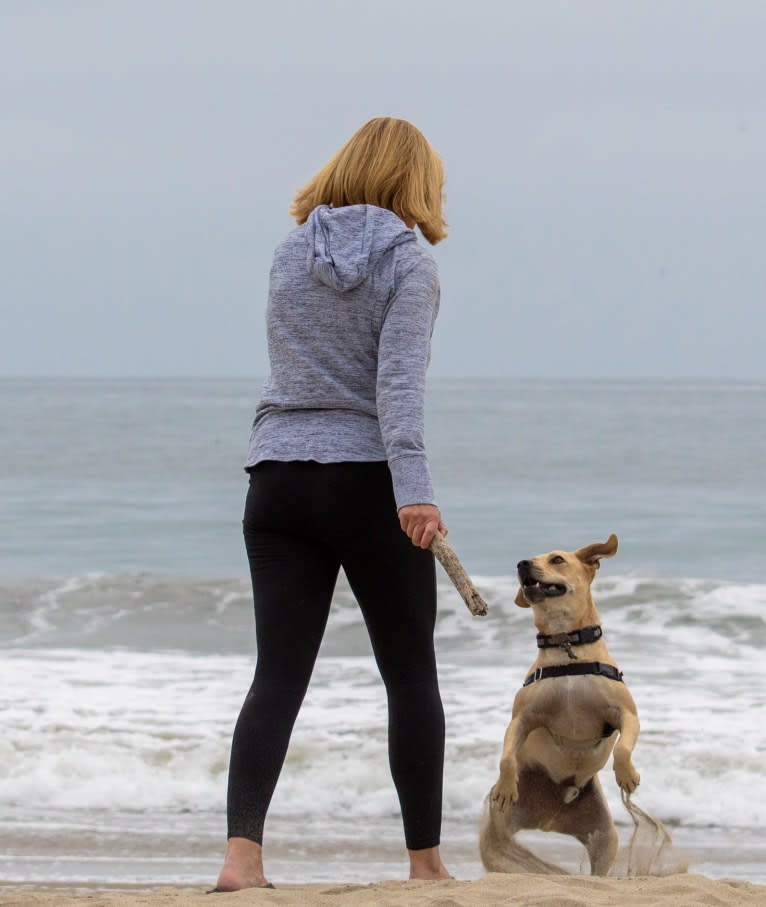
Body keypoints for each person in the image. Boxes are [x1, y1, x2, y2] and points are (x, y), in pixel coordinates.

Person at [214, 116, 451, 891]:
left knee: (277, 674)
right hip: (364, 479)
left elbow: (296, 367)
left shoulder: (290, 252)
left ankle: (240, 860)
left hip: (276, 475)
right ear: (413, 182)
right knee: (410, 674)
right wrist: (414, 492)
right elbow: (397, 386)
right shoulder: (409, 266)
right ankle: (425, 865)